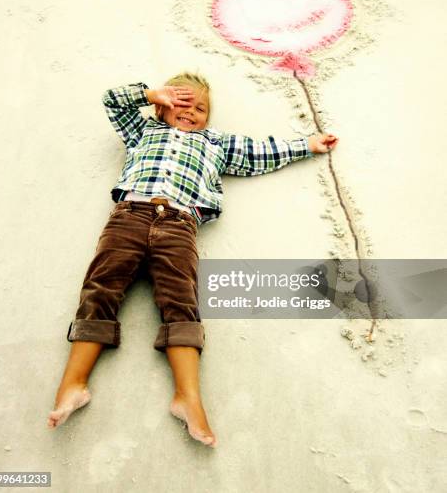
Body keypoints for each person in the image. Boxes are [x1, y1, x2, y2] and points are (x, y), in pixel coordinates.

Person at [47, 72, 338, 446]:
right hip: (129, 215)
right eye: (182, 104)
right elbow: (112, 99)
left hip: (180, 225)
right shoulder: (143, 131)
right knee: (100, 290)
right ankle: (74, 383)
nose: (191, 112)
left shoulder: (215, 144)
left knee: (181, 302)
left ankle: (188, 397)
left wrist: (308, 145)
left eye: (200, 108)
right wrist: (152, 93)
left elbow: (260, 152)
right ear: (162, 106)